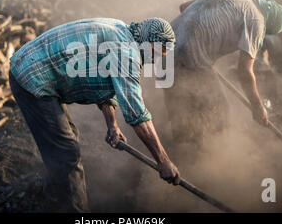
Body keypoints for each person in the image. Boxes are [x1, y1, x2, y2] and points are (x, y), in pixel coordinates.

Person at [9, 17, 180, 212]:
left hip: (32, 66)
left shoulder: (120, 30)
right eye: (158, 52)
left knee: (67, 140)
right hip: (30, 77)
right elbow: (136, 113)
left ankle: (53, 199)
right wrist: (163, 160)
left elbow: (104, 85)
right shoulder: (127, 53)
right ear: (150, 41)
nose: (157, 58)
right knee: (66, 153)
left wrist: (112, 126)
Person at [165, 0, 282, 147]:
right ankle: (211, 159)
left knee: (179, 116)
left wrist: (202, 48)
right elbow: (244, 71)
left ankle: (181, 157)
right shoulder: (257, 20)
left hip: (163, 51)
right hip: (188, 59)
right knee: (218, 114)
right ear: (269, 25)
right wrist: (257, 106)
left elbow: (185, 7)